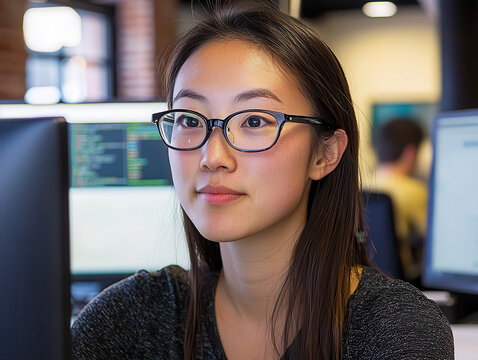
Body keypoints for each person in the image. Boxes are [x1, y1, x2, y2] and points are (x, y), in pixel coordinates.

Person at [71, 3, 453, 359]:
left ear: (325, 154)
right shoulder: (131, 320)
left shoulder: (394, 330)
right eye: (189, 119)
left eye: (254, 121)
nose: (212, 157)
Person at [372, 118, 427, 282]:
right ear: (410, 152)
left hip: (365, 280)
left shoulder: (360, 186)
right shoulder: (415, 191)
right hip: (403, 286)